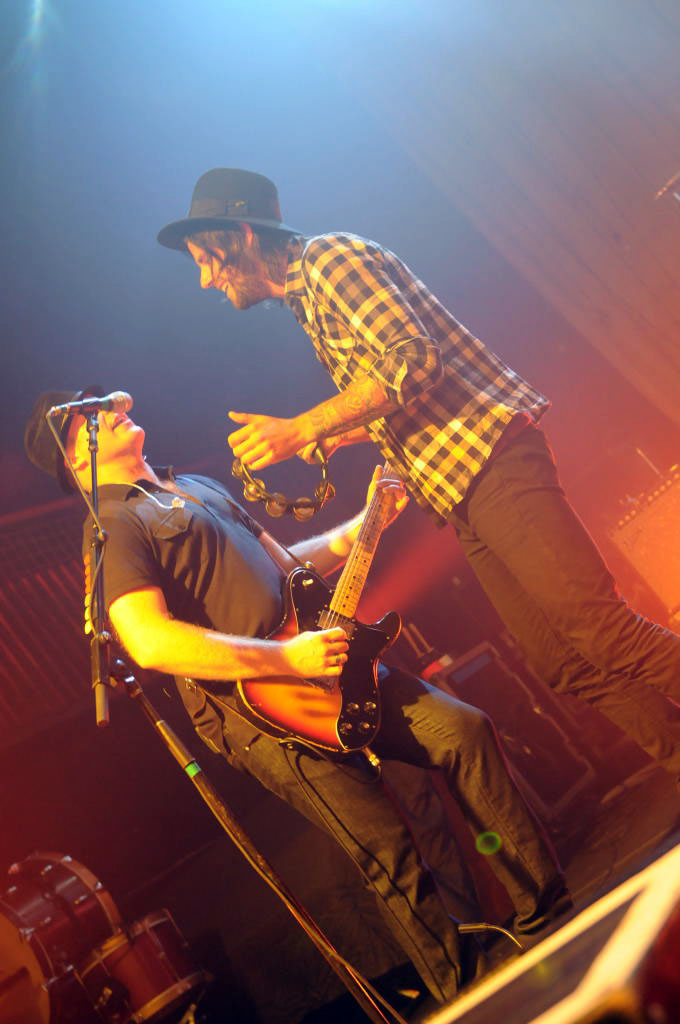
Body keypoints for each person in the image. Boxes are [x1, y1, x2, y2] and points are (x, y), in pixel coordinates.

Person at [24, 389, 571, 1007]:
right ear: (76, 454)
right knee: (389, 850)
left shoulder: (195, 486)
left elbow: (289, 566)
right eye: (91, 413)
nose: (114, 407)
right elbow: (149, 641)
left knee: (465, 733)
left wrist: (362, 528)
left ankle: (548, 919)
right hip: (260, 711)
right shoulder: (114, 525)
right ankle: (473, 997)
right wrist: (286, 660)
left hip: (325, 661)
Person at [156, 167, 680, 788]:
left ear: (243, 235)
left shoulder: (328, 261)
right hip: (461, 486)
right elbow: (396, 388)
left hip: (490, 460)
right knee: (564, 663)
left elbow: (414, 360)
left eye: (207, 259)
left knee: (603, 632)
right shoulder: (307, 299)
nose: (206, 278)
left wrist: (301, 427)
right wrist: (333, 434)